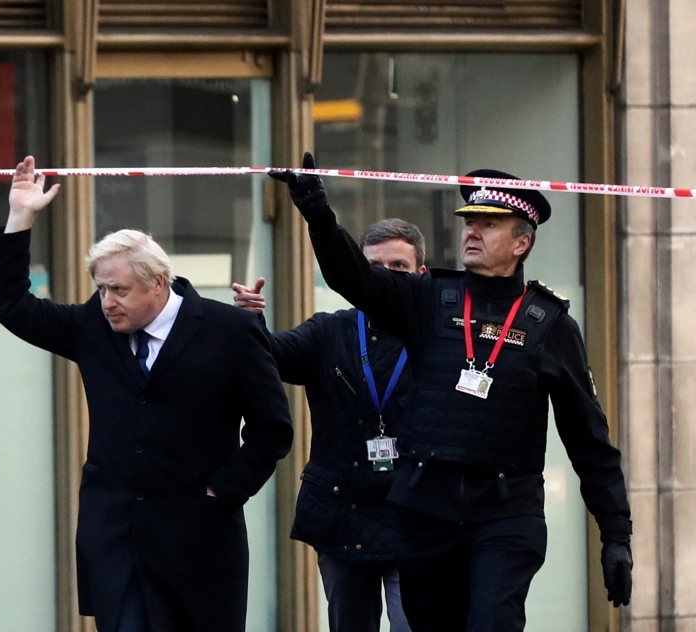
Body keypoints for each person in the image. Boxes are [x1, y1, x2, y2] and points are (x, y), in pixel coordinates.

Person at [270, 154, 633, 632]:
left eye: (489, 224)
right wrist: (317, 212)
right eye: (469, 223)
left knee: (490, 620)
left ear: (522, 242)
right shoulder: (427, 298)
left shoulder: (551, 325)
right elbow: (351, 277)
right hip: (427, 510)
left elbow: (589, 441)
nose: (472, 232)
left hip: (504, 512)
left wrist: (615, 533)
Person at [0, 156, 294, 632]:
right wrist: (20, 216)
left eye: (119, 290)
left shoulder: (228, 329)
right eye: (101, 288)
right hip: (117, 544)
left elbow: (273, 429)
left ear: (157, 283)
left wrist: (221, 491)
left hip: (199, 546)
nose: (107, 301)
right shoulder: (93, 326)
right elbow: (10, 305)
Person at [232, 218, 427, 632]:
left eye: (399, 267)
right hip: (342, 514)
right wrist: (249, 322)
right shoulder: (331, 330)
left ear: (421, 275)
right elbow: (274, 355)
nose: (385, 278)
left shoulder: (439, 337)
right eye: (373, 266)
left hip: (416, 516)